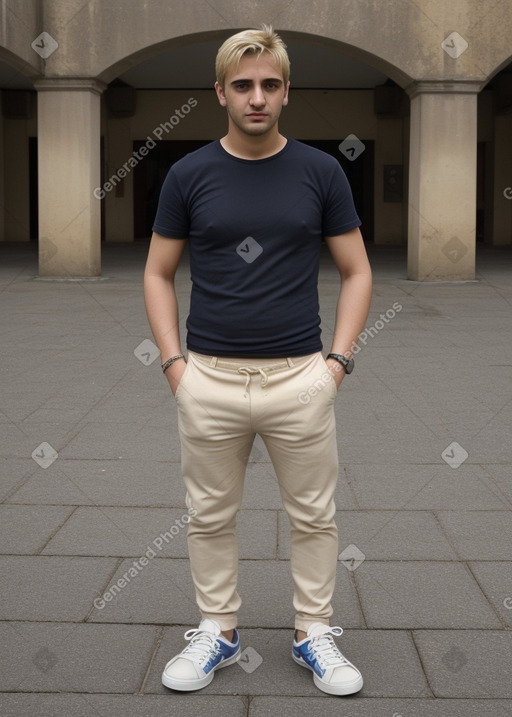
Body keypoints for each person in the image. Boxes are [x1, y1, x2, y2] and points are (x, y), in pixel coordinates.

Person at [143, 24, 372, 696]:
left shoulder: (320, 171)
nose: (256, 97)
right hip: (207, 377)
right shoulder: (188, 174)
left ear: (286, 92)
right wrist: (174, 366)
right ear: (220, 92)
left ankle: (313, 632)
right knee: (209, 513)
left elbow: (356, 270)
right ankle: (217, 627)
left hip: (300, 376)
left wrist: (337, 364)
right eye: (242, 85)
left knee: (315, 514)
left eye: (270, 84)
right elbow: (158, 272)